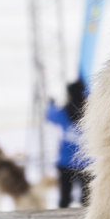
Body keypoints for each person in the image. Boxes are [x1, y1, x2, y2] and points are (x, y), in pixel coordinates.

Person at [46, 79, 90, 208]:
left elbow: (49, 115)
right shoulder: (91, 113)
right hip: (85, 163)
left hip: (65, 162)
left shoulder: (62, 113)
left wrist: (51, 104)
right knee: (87, 199)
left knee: (64, 197)